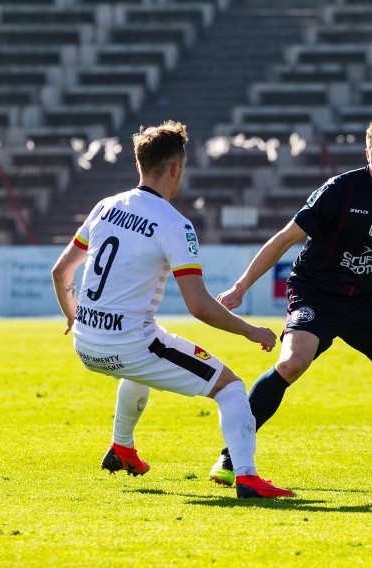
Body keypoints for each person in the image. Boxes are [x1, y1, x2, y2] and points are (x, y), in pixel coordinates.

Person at [208, 114, 372, 486]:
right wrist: (241, 286)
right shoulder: (340, 190)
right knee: (292, 363)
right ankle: (230, 457)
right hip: (316, 290)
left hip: (366, 300)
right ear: (367, 153)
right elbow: (284, 239)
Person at [51, 120, 294, 499]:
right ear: (176, 168)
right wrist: (251, 331)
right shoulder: (174, 225)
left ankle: (122, 448)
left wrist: (73, 315)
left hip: (85, 344)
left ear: (139, 165)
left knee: (140, 366)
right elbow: (198, 306)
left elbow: (61, 270)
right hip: (129, 345)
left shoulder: (105, 206)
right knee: (230, 388)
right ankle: (246, 476)